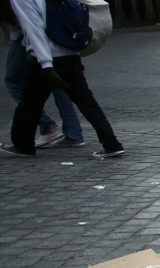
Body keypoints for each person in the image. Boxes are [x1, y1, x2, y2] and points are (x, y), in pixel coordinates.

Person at [1, 0, 124, 158]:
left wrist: (46, 65)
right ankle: (112, 143)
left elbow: (33, 27)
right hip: (69, 53)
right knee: (86, 102)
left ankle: (23, 145)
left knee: (29, 102)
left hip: (47, 57)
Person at [2, 5, 84, 149]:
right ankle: (73, 133)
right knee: (56, 83)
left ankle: (47, 127)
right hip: (43, 31)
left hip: (26, 34)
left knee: (14, 81)